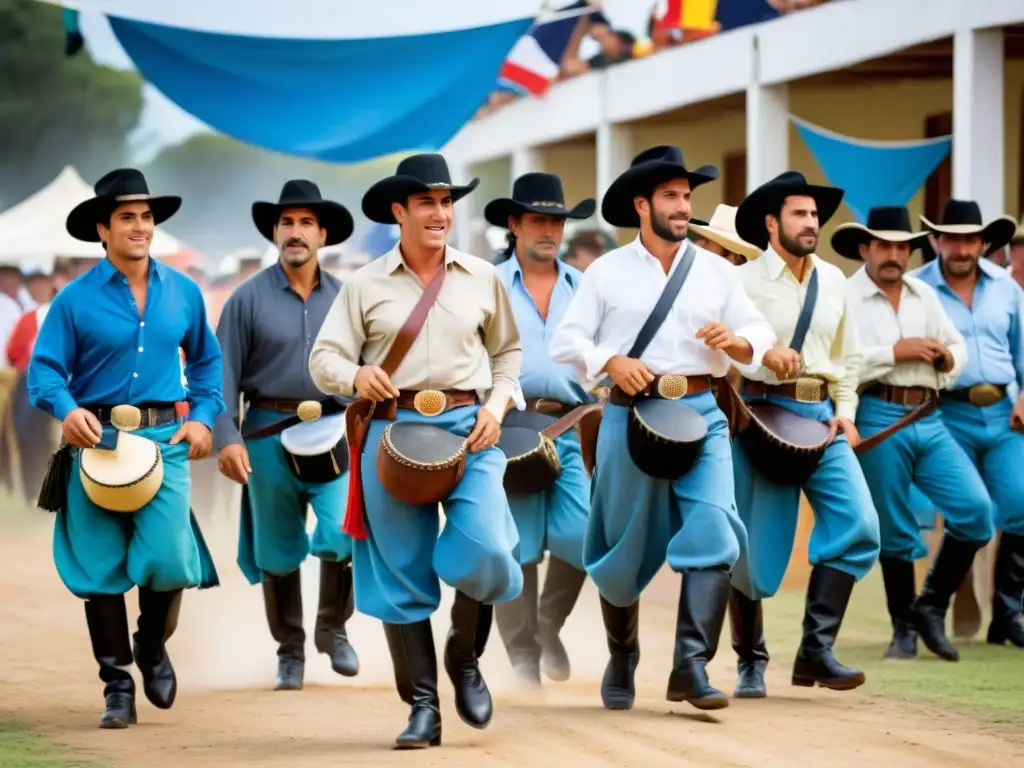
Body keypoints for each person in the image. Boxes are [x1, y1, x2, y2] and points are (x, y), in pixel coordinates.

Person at [308, 153, 524, 749]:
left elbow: (507, 357)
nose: (439, 213)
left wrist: (497, 406)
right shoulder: (363, 283)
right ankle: (423, 707)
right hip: (389, 431)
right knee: (402, 572)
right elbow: (322, 360)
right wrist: (355, 377)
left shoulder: (483, 277)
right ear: (399, 211)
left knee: (486, 548)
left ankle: (464, 654)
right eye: (426, 202)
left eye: (446, 202)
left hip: (469, 429)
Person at [550, 145, 775, 712]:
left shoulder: (718, 271)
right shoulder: (604, 272)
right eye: (671, 197)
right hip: (631, 415)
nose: (682, 207)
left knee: (716, 531)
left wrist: (740, 343)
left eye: (686, 196)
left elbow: (759, 335)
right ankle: (622, 656)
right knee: (620, 550)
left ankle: (690, 666)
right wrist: (610, 362)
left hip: (704, 414)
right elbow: (565, 342)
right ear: (641, 204)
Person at [27, 168, 224, 728]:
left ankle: (152, 644)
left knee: (167, 557)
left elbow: (207, 363)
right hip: (96, 444)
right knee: (99, 567)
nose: (140, 227)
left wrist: (204, 418)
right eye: (127, 218)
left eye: (146, 217)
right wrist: (67, 412)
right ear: (102, 230)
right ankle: (117, 686)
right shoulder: (72, 301)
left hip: (165, 440)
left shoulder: (184, 292)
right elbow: (45, 373)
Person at [728, 172, 880, 698]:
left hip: (823, 422)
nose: (811, 222)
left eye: (815, 214)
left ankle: (815, 651)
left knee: (860, 524)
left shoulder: (836, 281)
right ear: (772, 223)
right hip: (762, 416)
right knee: (753, 554)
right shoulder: (742, 282)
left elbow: (850, 357)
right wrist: (766, 363)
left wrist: (847, 410)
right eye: (799, 213)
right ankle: (750, 660)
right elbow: (728, 354)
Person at [214, 180, 360, 691]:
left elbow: (367, 368)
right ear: (276, 232)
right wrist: (226, 436)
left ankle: (332, 628)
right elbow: (221, 375)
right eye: (287, 223)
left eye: (305, 223)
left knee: (343, 531)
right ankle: (290, 652)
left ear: (322, 234)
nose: (295, 232)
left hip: (334, 430)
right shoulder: (245, 300)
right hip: (265, 433)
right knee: (276, 549)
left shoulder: (348, 298)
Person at [836, 206, 995, 660]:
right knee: (895, 525)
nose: (893, 255)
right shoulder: (844, 296)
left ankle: (930, 605)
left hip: (929, 414)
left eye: (901, 246)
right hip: (876, 414)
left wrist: (948, 360)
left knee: (976, 511)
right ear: (865, 247)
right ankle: (902, 627)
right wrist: (894, 351)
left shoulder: (923, 293)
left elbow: (958, 346)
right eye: (883, 245)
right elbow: (837, 360)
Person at [484, 172, 596, 686]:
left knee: (581, 537)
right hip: (509, 427)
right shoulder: (485, 285)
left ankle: (549, 624)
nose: (549, 229)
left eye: (556, 220)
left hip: (571, 425)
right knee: (517, 545)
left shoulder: (585, 287)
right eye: (538, 220)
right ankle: (522, 657)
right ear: (515, 225)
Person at [911, 199, 1024, 649]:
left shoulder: (1007, 289)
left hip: (1003, 413)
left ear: (983, 243)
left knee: (1020, 502)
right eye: (951, 237)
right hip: (944, 411)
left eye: (970, 239)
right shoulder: (917, 287)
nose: (961, 247)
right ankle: (931, 606)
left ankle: (1008, 616)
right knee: (966, 509)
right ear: (936, 240)